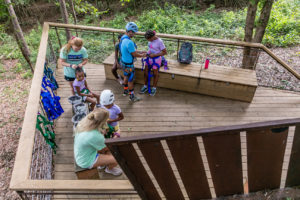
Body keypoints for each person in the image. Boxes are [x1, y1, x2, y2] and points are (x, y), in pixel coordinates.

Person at [74, 108, 123, 176]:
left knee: (106, 150)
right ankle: (109, 169)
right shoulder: (95, 135)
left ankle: (102, 165)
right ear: (102, 122)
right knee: (118, 157)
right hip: (85, 161)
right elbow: (108, 147)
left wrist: (101, 132)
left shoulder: (82, 123)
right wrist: (117, 135)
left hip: (82, 154)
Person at [120, 22, 147, 102]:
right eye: (134, 32)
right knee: (130, 80)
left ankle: (125, 91)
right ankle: (131, 97)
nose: (134, 34)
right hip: (129, 65)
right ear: (130, 31)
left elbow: (131, 50)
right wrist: (143, 55)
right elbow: (134, 54)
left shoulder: (123, 38)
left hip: (123, 62)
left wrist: (141, 51)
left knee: (125, 76)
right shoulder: (130, 42)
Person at [140, 30, 167, 96]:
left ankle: (154, 88)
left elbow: (164, 52)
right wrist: (147, 53)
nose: (148, 41)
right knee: (145, 72)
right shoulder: (150, 40)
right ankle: (145, 86)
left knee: (155, 74)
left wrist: (154, 55)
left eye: (149, 39)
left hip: (156, 60)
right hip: (149, 58)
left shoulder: (159, 42)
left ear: (153, 36)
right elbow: (150, 48)